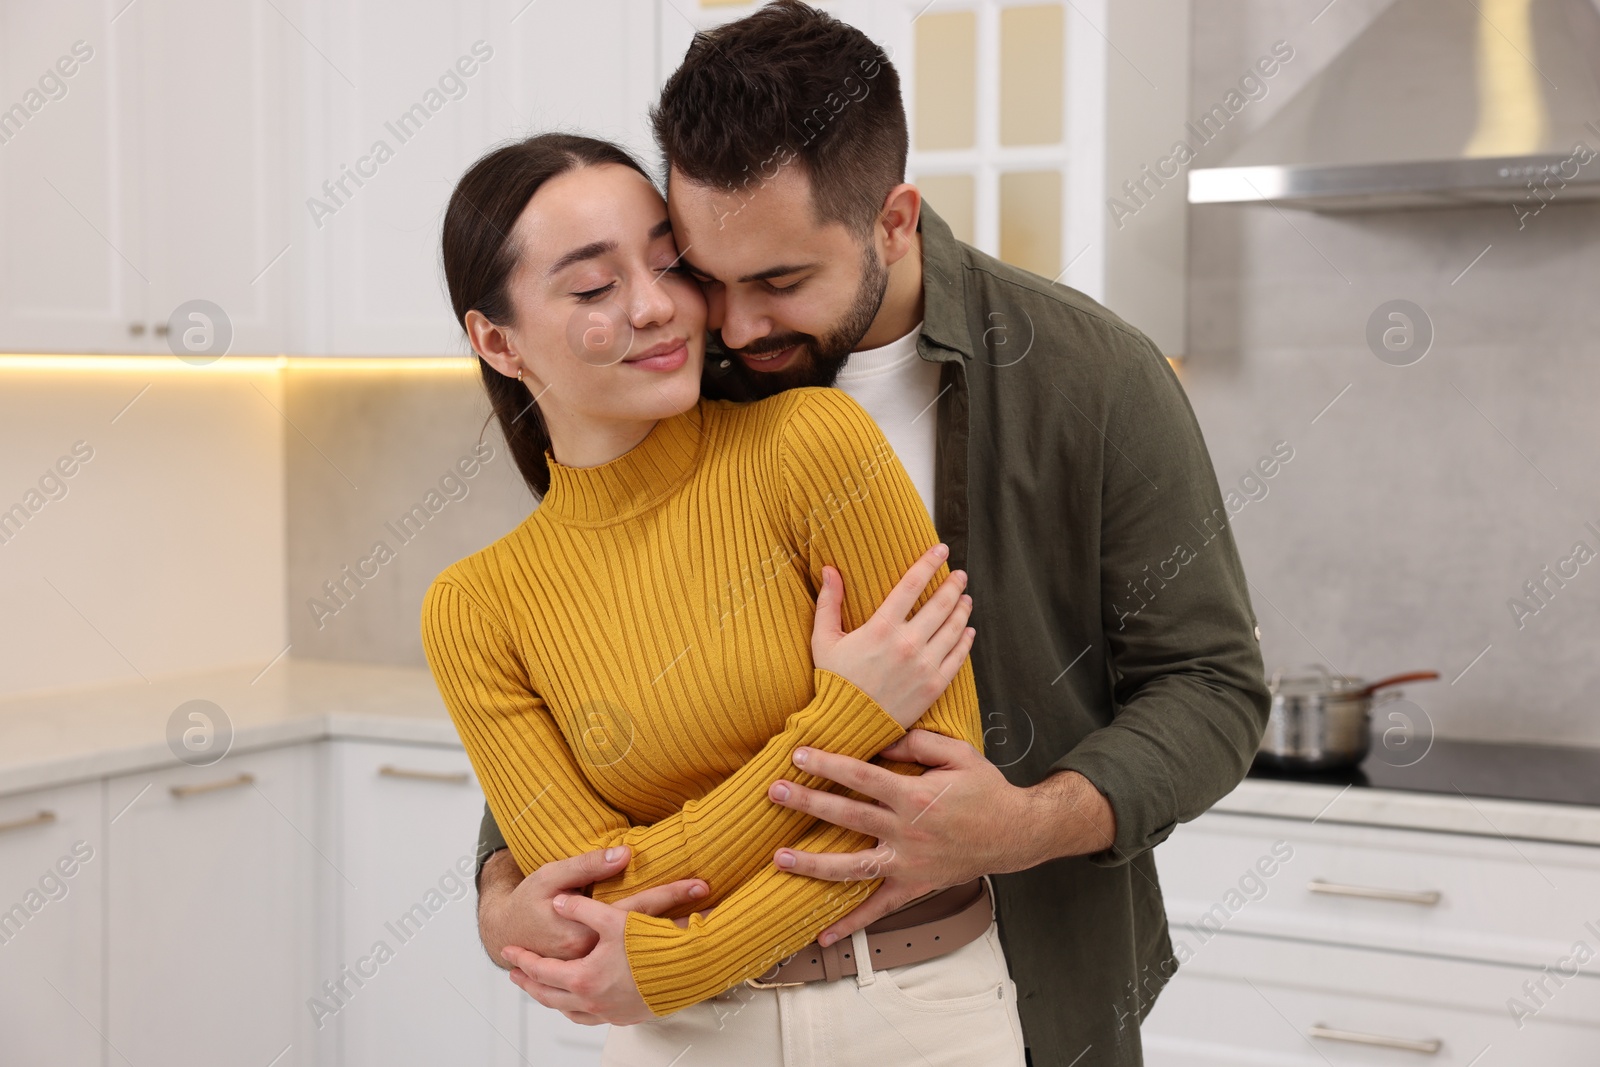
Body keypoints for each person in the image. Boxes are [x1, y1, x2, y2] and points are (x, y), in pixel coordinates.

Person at [473, 4, 1271, 1065]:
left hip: (1025, 982)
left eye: (781, 281)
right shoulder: (684, 377)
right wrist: (501, 886)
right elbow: (586, 663)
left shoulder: (1091, 375)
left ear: (892, 220)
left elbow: (1212, 685)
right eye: (706, 274)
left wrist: (1022, 822)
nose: (735, 325)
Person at [423, 132, 1030, 1065]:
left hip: (915, 1013)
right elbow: (597, 903)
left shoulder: (814, 442)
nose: (658, 306)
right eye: (594, 289)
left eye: (670, 264)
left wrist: (686, 957)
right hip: (679, 1043)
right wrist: (848, 714)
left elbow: (929, 792)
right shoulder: (476, 609)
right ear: (496, 341)